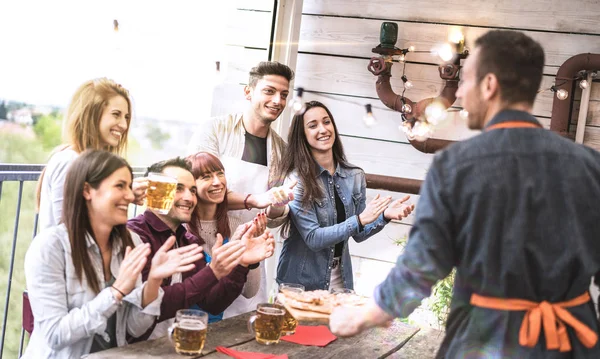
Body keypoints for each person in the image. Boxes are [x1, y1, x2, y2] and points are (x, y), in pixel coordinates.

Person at [329, 30, 600, 358]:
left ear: (489, 85)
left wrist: (369, 313)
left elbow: (424, 262)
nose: (459, 92)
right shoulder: (590, 165)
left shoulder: (455, 166)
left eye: (465, 80)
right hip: (575, 344)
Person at [23, 150, 202, 358]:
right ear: (87, 190)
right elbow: (55, 335)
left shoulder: (130, 242)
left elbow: (133, 329)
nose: (131, 195)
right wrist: (115, 292)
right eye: (120, 186)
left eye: (129, 186)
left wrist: (153, 281)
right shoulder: (49, 247)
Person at [187, 61, 296, 318]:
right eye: (269, 91)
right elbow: (197, 187)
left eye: (283, 95)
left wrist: (278, 204)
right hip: (207, 243)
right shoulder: (215, 129)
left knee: (242, 329)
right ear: (249, 92)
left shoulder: (281, 150)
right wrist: (254, 199)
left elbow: (273, 217)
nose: (277, 100)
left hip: (251, 251)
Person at [127, 157, 275, 338]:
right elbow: (154, 306)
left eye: (192, 191)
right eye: (178, 188)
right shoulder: (134, 234)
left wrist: (242, 264)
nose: (189, 198)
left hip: (172, 345)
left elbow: (212, 304)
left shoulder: (187, 240)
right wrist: (212, 272)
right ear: (154, 191)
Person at [276, 101, 414, 291]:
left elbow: (358, 233)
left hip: (340, 277)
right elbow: (313, 238)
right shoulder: (296, 181)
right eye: (313, 125)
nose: (323, 129)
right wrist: (359, 220)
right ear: (302, 135)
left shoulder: (355, 176)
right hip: (299, 283)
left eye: (327, 122)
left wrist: (384, 216)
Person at [37, 78, 147, 230]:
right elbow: (66, 229)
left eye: (126, 117)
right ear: (91, 114)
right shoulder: (69, 161)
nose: (124, 125)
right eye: (116, 114)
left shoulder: (97, 164)